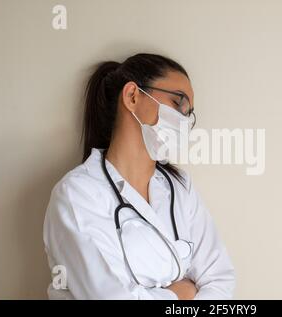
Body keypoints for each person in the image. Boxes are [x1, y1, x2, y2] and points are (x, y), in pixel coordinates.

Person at [43, 53, 236, 299]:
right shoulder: (76, 195)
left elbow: (220, 279)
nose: (184, 120)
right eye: (178, 103)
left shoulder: (179, 187)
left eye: (189, 114)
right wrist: (182, 294)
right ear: (132, 96)